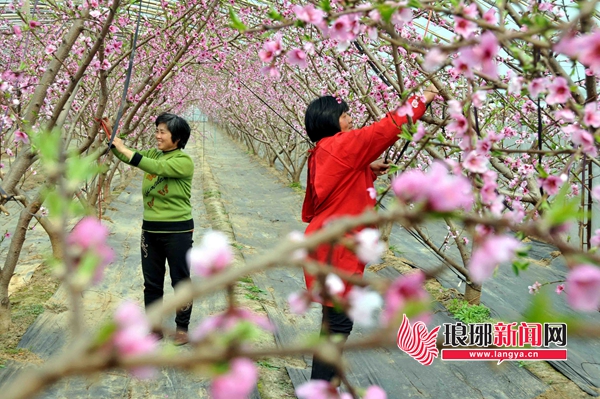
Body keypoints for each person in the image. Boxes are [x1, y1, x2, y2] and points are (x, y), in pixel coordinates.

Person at [302, 86, 439, 383]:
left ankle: (323, 386)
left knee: (332, 324)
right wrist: (421, 99)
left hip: (329, 246)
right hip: (338, 251)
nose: (351, 120)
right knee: (337, 328)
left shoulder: (325, 150)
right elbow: (385, 129)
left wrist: (367, 167)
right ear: (331, 119)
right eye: (346, 115)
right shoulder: (341, 145)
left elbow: (338, 182)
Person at [107, 112, 194, 346]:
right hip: (151, 231)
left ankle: (182, 328)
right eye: (156, 131)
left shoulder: (182, 161)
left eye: (162, 132)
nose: (157, 136)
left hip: (177, 231)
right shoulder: (155, 152)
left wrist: (125, 150)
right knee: (152, 282)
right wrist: (113, 140)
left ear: (177, 138)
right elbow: (132, 158)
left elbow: (152, 166)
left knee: (180, 280)